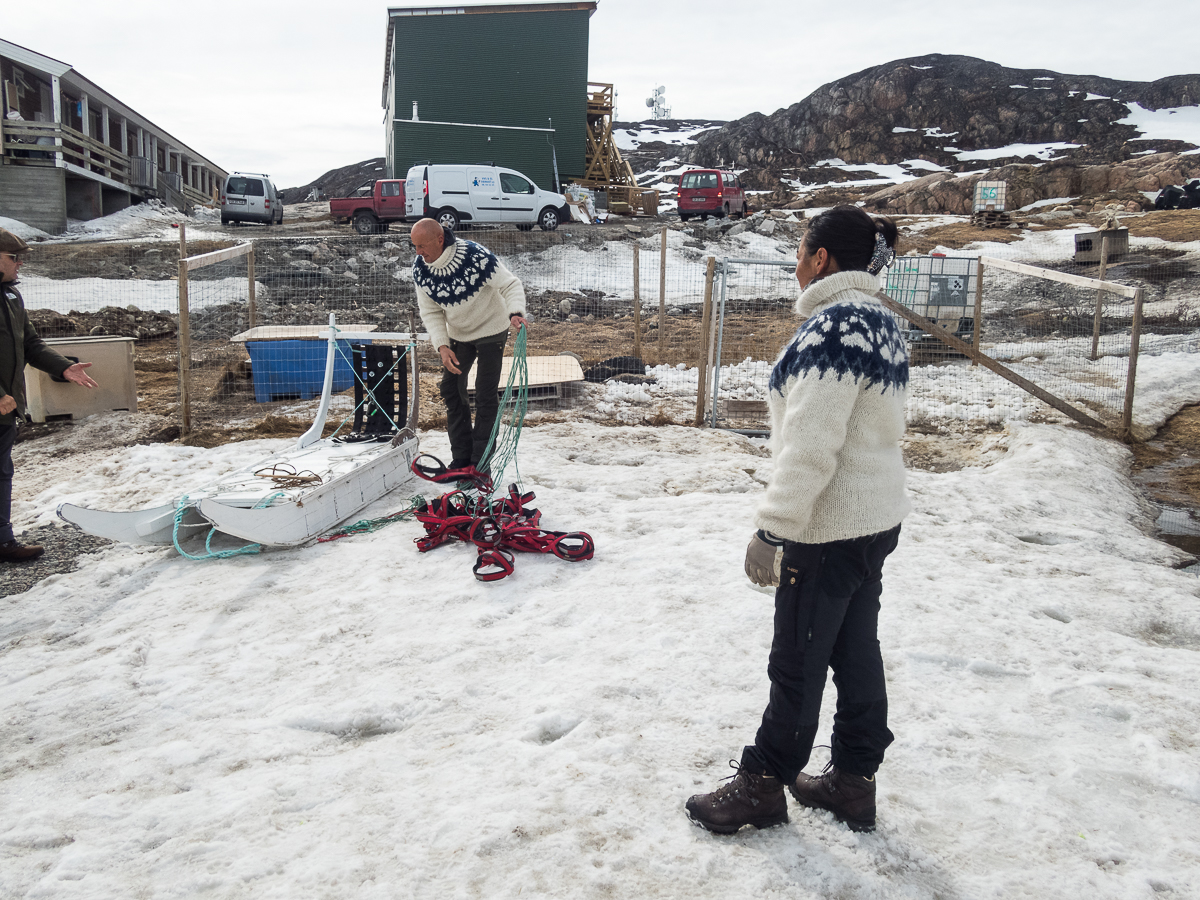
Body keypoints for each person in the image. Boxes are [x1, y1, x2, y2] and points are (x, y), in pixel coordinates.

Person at [685, 206, 910, 835]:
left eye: (800, 250)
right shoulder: (883, 322)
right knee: (855, 650)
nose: (794, 263)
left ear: (821, 259)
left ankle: (762, 784)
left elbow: (812, 446)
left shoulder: (831, 330)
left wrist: (773, 529)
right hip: (874, 519)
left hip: (828, 527)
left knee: (798, 659)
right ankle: (852, 780)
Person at [1, 228, 99, 562]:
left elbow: (30, 345)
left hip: (7, 407)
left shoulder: (11, 297)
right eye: (14, 257)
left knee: (2, 473)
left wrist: (63, 368)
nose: (20, 263)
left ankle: (2, 542)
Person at [410, 218, 528, 475]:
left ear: (440, 239)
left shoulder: (475, 256)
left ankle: (480, 462)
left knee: (485, 395)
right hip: (459, 335)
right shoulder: (421, 270)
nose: (418, 253)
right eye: (414, 247)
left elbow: (510, 284)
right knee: (451, 390)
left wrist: (515, 312)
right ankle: (461, 459)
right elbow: (430, 312)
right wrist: (442, 345)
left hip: (492, 330)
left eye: (422, 246)